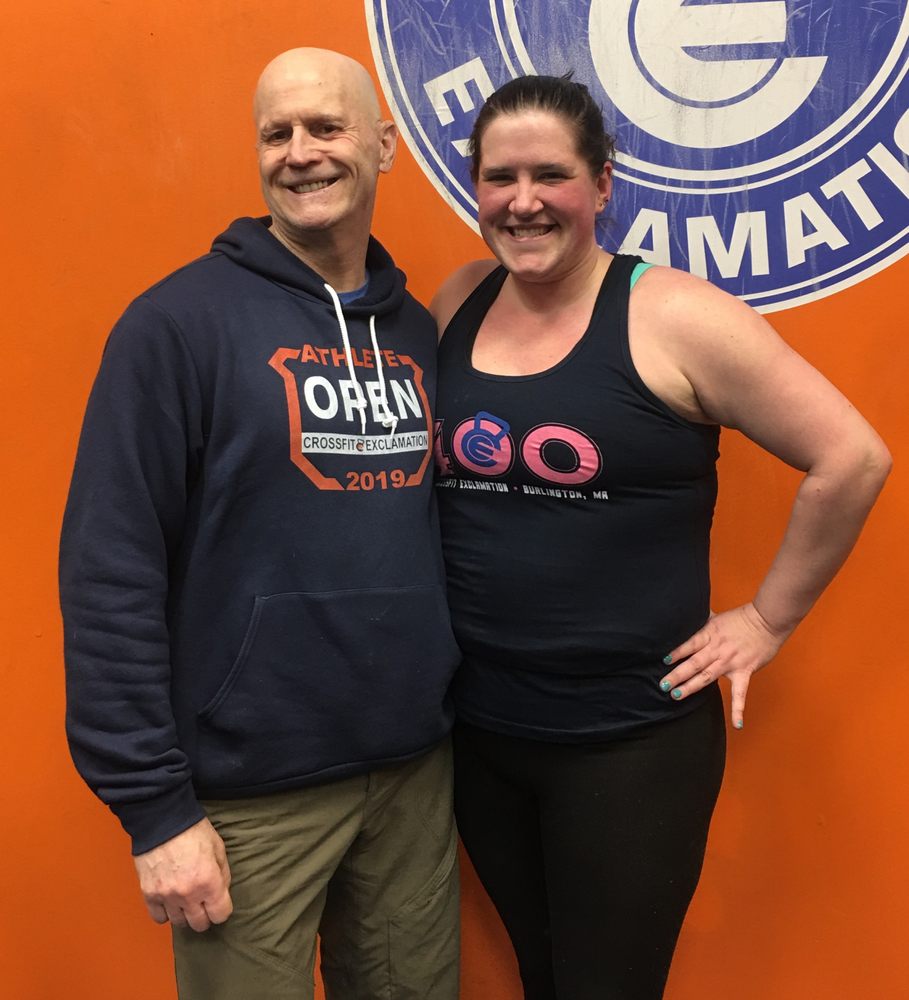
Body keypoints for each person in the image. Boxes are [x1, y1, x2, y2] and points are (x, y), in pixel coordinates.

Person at [430, 75, 891, 1000]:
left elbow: (852, 458)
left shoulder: (676, 315)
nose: (522, 201)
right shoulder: (460, 299)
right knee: (541, 976)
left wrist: (764, 621)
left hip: (628, 744)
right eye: (499, 177)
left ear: (602, 183)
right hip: (480, 734)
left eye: (550, 175)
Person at [60, 48, 461, 1000]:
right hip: (248, 802)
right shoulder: (175, 326)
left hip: (413, 778)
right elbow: (110, 569)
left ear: (384, 145)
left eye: (325, 127)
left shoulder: (415, 333)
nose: (300, 152)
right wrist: (154, 811)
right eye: (276, 133)